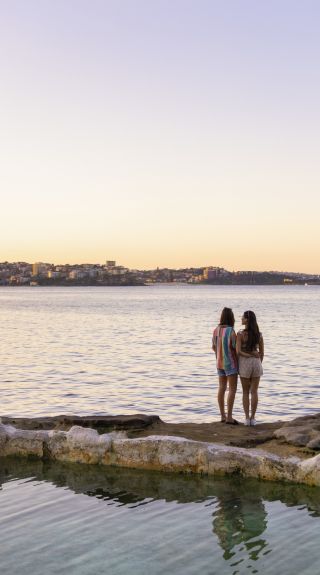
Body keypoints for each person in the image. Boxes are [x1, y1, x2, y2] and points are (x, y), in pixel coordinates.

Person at [236, 310, 264, 426]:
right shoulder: (259, 334)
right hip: (257, 364)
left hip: (245, 364)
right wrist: (256, 359)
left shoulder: (240, 334)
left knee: (245, 392)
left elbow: (238, 352)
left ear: (247, 320)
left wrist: (249, 355)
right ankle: (253, 418)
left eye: (243, 317)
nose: (241, 319)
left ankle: (247, 419)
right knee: (254, 392)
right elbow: (262, 353)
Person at [212, 307, 238, 424]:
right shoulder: (231, 331)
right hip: (230, 363)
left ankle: (222, 415)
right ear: (231, 318)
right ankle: (229, 417)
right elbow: (235, 348)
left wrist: (219, 354)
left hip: (219, 363)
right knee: (232, 390)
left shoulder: (216, 330)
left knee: (222, 388)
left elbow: (213, 347)